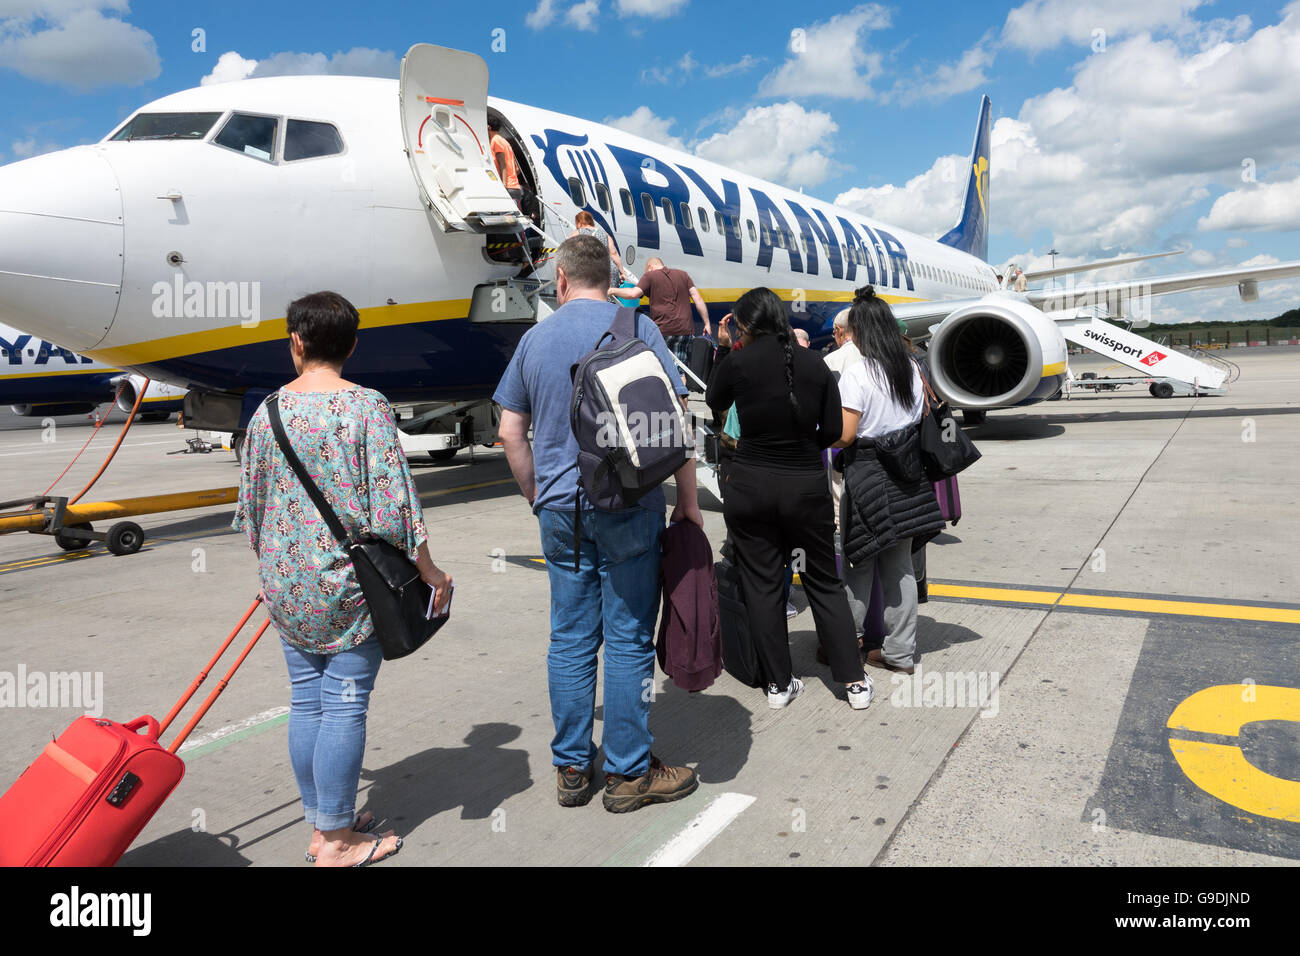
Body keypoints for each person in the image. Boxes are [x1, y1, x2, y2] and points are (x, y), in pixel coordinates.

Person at [233, 291, 452, 867]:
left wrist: (278, 568)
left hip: (286, 583)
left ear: (296, 343)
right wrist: (431, 574)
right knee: (345, 705)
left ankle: (323, 819)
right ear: (352, 345)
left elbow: (251, 510)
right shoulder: (366, 408)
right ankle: (334, 841)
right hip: (349, 587)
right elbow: (396, 511)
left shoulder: (268, 411)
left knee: (307, 702)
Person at [494, 234, 702, 813]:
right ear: (609, 279)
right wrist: (686, 500)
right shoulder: (638, 330)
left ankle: (570, 768)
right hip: (631, 505)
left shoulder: (534, 340)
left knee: (569, 639)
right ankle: (629, 774)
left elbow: (511, 431)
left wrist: (539, 494)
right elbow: (674, 421)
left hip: (562, 512)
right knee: (630, 639)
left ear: (560, 280)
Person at [705, 287, 873, 711]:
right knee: (823, 581)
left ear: (745, 325)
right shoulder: (815, 363)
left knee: (763, 586)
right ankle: (853, 681)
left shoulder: (739, 360)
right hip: (804, 487)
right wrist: (800, 445)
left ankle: (779, 685)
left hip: (750, 486)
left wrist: (726, 350)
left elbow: (714, 401)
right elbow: (834, 428)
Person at [833, 286, 945, 677]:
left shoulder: (857, 372)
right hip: (908, 475)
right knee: (899, 568)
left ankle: (848, 647)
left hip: (866, 475)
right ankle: (900, 653)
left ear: (861, 331)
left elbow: (846, 435)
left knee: (858, 564)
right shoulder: (912, 369)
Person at [610, 257, 711, 373]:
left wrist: (612, 290)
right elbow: (697, 298)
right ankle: (679, 390)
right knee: (679, 370)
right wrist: (707, 323)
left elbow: (633, 294)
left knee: (657, 368)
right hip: (685, 330)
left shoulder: (650, 276)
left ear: (650, 267)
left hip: (664, 330)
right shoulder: (683, 275)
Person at [568, 211, 627, 290]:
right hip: (609, 270)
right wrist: (622, 272)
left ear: (579, 223)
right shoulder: (604, 233)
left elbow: (567, 248)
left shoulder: (579, 232)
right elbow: (614, 253)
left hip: (590, 271)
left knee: (590, 298)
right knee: (609, 299)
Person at [488, 116, 522, 208]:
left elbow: (503, 164)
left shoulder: (495, 141)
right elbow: (517, 169)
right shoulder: (505, 142)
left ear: (488, 127)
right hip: (515, 188)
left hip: (508, 188)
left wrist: (503, 185)